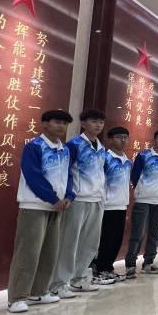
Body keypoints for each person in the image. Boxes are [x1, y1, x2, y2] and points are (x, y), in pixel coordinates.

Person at [7, 110, 74, 313]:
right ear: (44, 124)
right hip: (34, 206)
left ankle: (39, 291)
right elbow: (33, 176)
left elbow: (69, 175)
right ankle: (17, 297)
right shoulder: (34, 146)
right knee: (28, 252)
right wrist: (53, 198)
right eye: (57, 122)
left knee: (49, 252)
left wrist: (69, 196)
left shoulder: (65, 149)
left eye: (64, 123)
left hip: (57, 206)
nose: (61, 126)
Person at [51, 108, 109, 298]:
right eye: (94, 121)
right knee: (69, 242)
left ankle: (79, 279)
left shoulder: (101, 147)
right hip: (78, 200)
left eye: (101, 122)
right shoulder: (74, 145)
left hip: (97, 199)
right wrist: (68, 194)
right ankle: (59, 283)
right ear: (83, 123)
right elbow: (66, 171)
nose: (98, 125)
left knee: (90, 243)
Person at [126, 129, 158, 278]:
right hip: (143, 200)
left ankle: (148, 263)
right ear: (154, 140)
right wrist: (143, 190)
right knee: (138, 233)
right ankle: (130, 265)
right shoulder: (144, 155)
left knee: (155, 234)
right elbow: (135, 176)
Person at [92, 126, 131, 283]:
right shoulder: (105, 158)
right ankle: (100, 268)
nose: (123, 140)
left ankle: (108, 267)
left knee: (116, 239)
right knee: (105, 239)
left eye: (125, 137)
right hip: (106, 206)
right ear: (109, 139)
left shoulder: (127, 160)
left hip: (121, 205)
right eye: (118, 137)